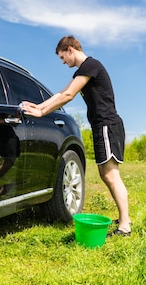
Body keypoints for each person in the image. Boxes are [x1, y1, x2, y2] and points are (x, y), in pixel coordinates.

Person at [20, 35, 131, 236]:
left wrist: (42, 113)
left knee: (111, 175)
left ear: (71, 49)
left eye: (63, 58)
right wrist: (39, 106)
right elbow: (61, 93)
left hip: (107, 125)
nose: (63, 62)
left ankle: (125, 225)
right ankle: (124, 219)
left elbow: (68, 96)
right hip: (102, 126)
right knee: (106, 174)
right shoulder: (84, 70)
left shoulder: (90, 65)